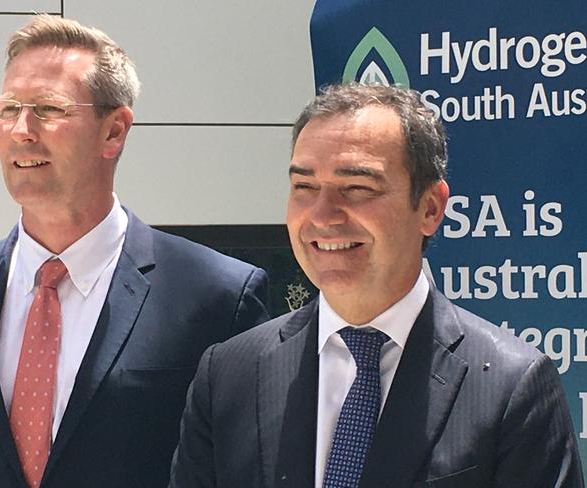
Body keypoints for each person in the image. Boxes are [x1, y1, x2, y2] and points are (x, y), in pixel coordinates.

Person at [169, 83, 583, 487]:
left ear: (431, 207)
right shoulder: (228, 374)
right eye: (304, 187)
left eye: (357, 188)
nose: (323, 215)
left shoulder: (510, 384)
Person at [0, 14, 269, 488]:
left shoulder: (218, 298)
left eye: (48, 109)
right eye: (8, 108)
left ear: (113, 132)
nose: (21, 130)